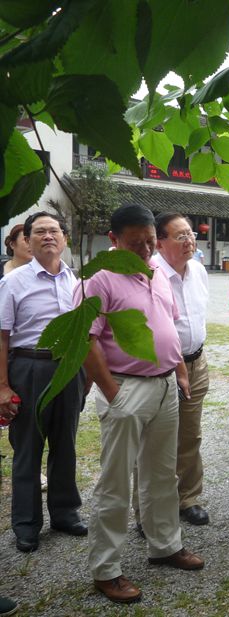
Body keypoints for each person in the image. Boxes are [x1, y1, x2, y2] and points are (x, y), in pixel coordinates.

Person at [79, 204, 203, 604]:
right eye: (137, 243)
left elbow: (170, 324)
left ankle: (165, 545)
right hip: (127, 388)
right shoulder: (99, 279)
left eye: (151, 241)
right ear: (113, 240)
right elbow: (86, 338)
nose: (147, 249)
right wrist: (113, 392)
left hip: (165, 384)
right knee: (116, 482)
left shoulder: (156, 274)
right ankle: (106, 569)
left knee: (162, 473)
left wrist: (180, 372)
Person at [0, 212, 86, 553]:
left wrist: (84, 375)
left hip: (68, 370)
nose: (48, 236)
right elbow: (2, 337)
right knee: (28, 449)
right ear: (28, 241)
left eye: (54, 230)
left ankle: (65, 512)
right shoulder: (13, 282)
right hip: (28, 369)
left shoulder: (74, 280)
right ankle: (26, 523)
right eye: (39, 232)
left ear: (64, 238)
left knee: (65, 444)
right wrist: (3, 386)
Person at [152, 213, 210, 526]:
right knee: (157, 441)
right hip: (162, 368)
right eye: (180, 236)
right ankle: (150, 507)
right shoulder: (150, 274)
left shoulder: (199, 271)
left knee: (190, 436)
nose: (189, 240)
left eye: (190, 234)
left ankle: (188, 498)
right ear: (159, 243)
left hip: (196, 363)